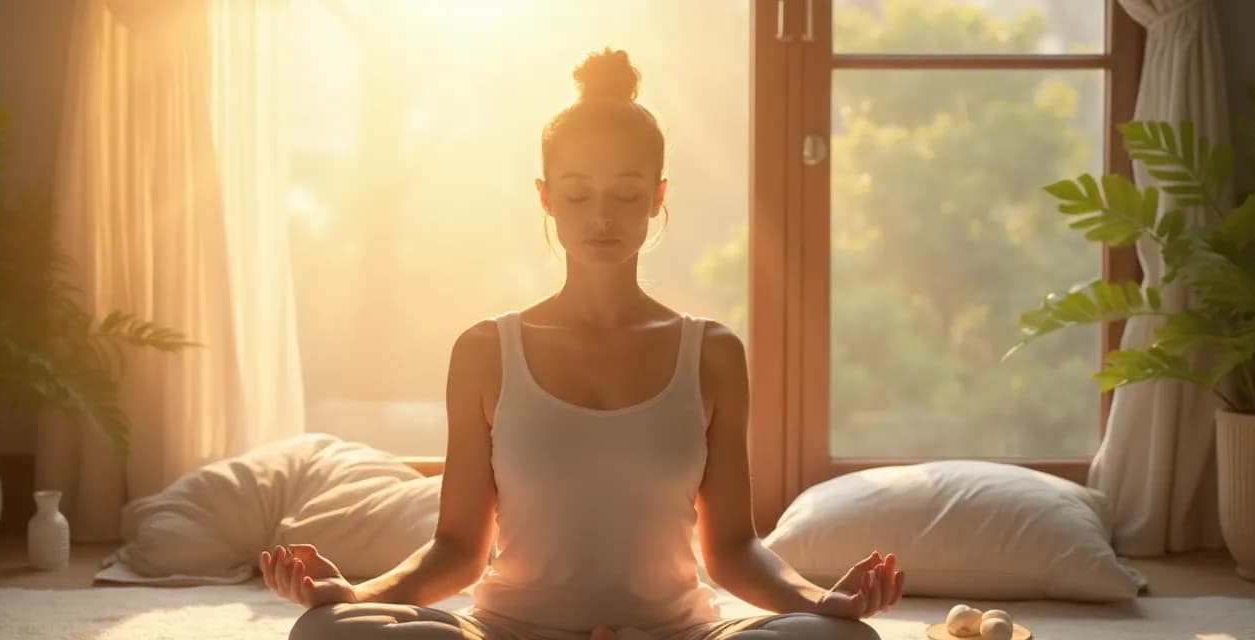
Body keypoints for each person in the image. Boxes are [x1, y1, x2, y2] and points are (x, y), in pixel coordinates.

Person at [261, 48, 903, 640]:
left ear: (657, 198)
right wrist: (353, 593)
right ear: (546, 198)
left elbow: (733, 549)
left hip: (675, 634)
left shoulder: (712, 354)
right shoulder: (486, 350)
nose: (602, 216)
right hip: (511, 632)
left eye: (626, 194)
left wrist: (820, 602)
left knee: (846, 639)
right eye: (577, 193)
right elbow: (457, 549)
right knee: (323, 633)